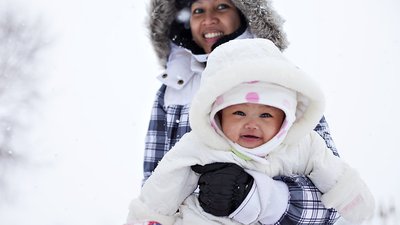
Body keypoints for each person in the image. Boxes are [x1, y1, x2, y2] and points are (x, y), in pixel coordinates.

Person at [127, 38, 375, 225]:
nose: (251, 124)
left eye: (266, 115)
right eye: (238, 113)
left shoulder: (302, 144)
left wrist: (354, 201)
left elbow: (335, 177)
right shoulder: (200, 145)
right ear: (218, 114)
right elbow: (163, 188)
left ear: (286, 118)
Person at [141, 0, 339, 223]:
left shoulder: (282, 83)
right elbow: (154, 187)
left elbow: (331, 204)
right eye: (198, 10)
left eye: (222, 6)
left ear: (245, 13)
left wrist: (256, 196)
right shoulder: (173, 89)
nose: (208, 19)